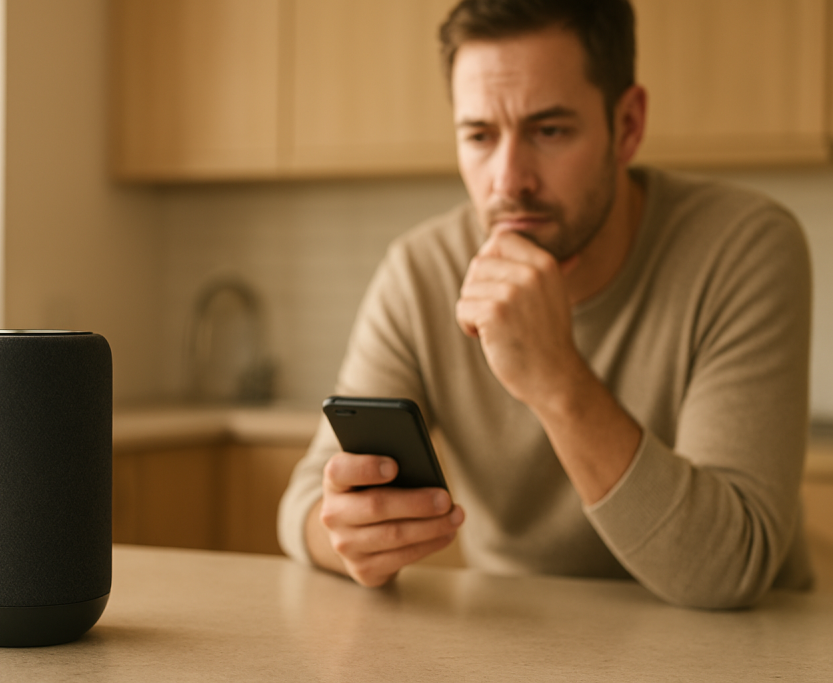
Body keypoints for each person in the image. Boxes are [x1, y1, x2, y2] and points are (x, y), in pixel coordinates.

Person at [277, 0, 814, 609]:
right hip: (526, 641)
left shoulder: (745, 246)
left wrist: (555, 378)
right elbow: (303, 505)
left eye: (549, 131)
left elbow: (730, 569)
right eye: (479, 135)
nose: (508, 180)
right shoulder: (420, 273)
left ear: (628, 125)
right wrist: (344, 533)